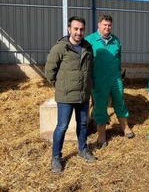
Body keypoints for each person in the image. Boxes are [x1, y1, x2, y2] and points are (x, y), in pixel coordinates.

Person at [45, 16, 95, 173]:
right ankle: (56, 157)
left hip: (83, 95)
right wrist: (61, 86)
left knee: (83, 124)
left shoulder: (88, 48)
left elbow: (90, 69)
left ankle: (82, 149)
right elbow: (49, 71)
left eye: (81, 29)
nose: (78, 32)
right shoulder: (60, 48)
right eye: (75, 29)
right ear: (69, 29)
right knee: (62, 126)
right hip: (65, 96)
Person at [85, 14, 134, 148]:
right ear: (99, 25)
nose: (107, 27)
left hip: (115, 78)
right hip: (99, 79)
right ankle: (102, 134)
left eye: (109, 25)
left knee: (120, 101)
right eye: (104, 24)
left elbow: (119, 58)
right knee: (100, 105)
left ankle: (125, 127)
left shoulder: (116, 40)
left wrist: (119, 75)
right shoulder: (89, 40)